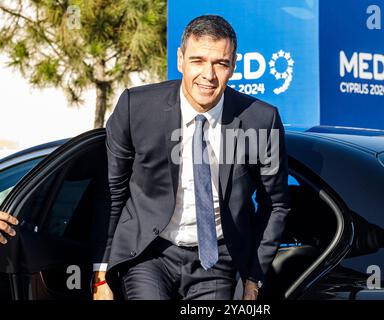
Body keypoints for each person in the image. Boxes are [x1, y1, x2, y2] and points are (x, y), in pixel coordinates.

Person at [93, 15, 290, 300]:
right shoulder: (136, 107)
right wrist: (101, 273)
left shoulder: (260, 120)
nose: (208, 75)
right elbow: (112, 192)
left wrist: (252, 278)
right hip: (149, 253)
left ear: (233, 66)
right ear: (180, 60)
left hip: (218, 261)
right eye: (198, 60)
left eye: (220, 63)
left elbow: (276, 204)